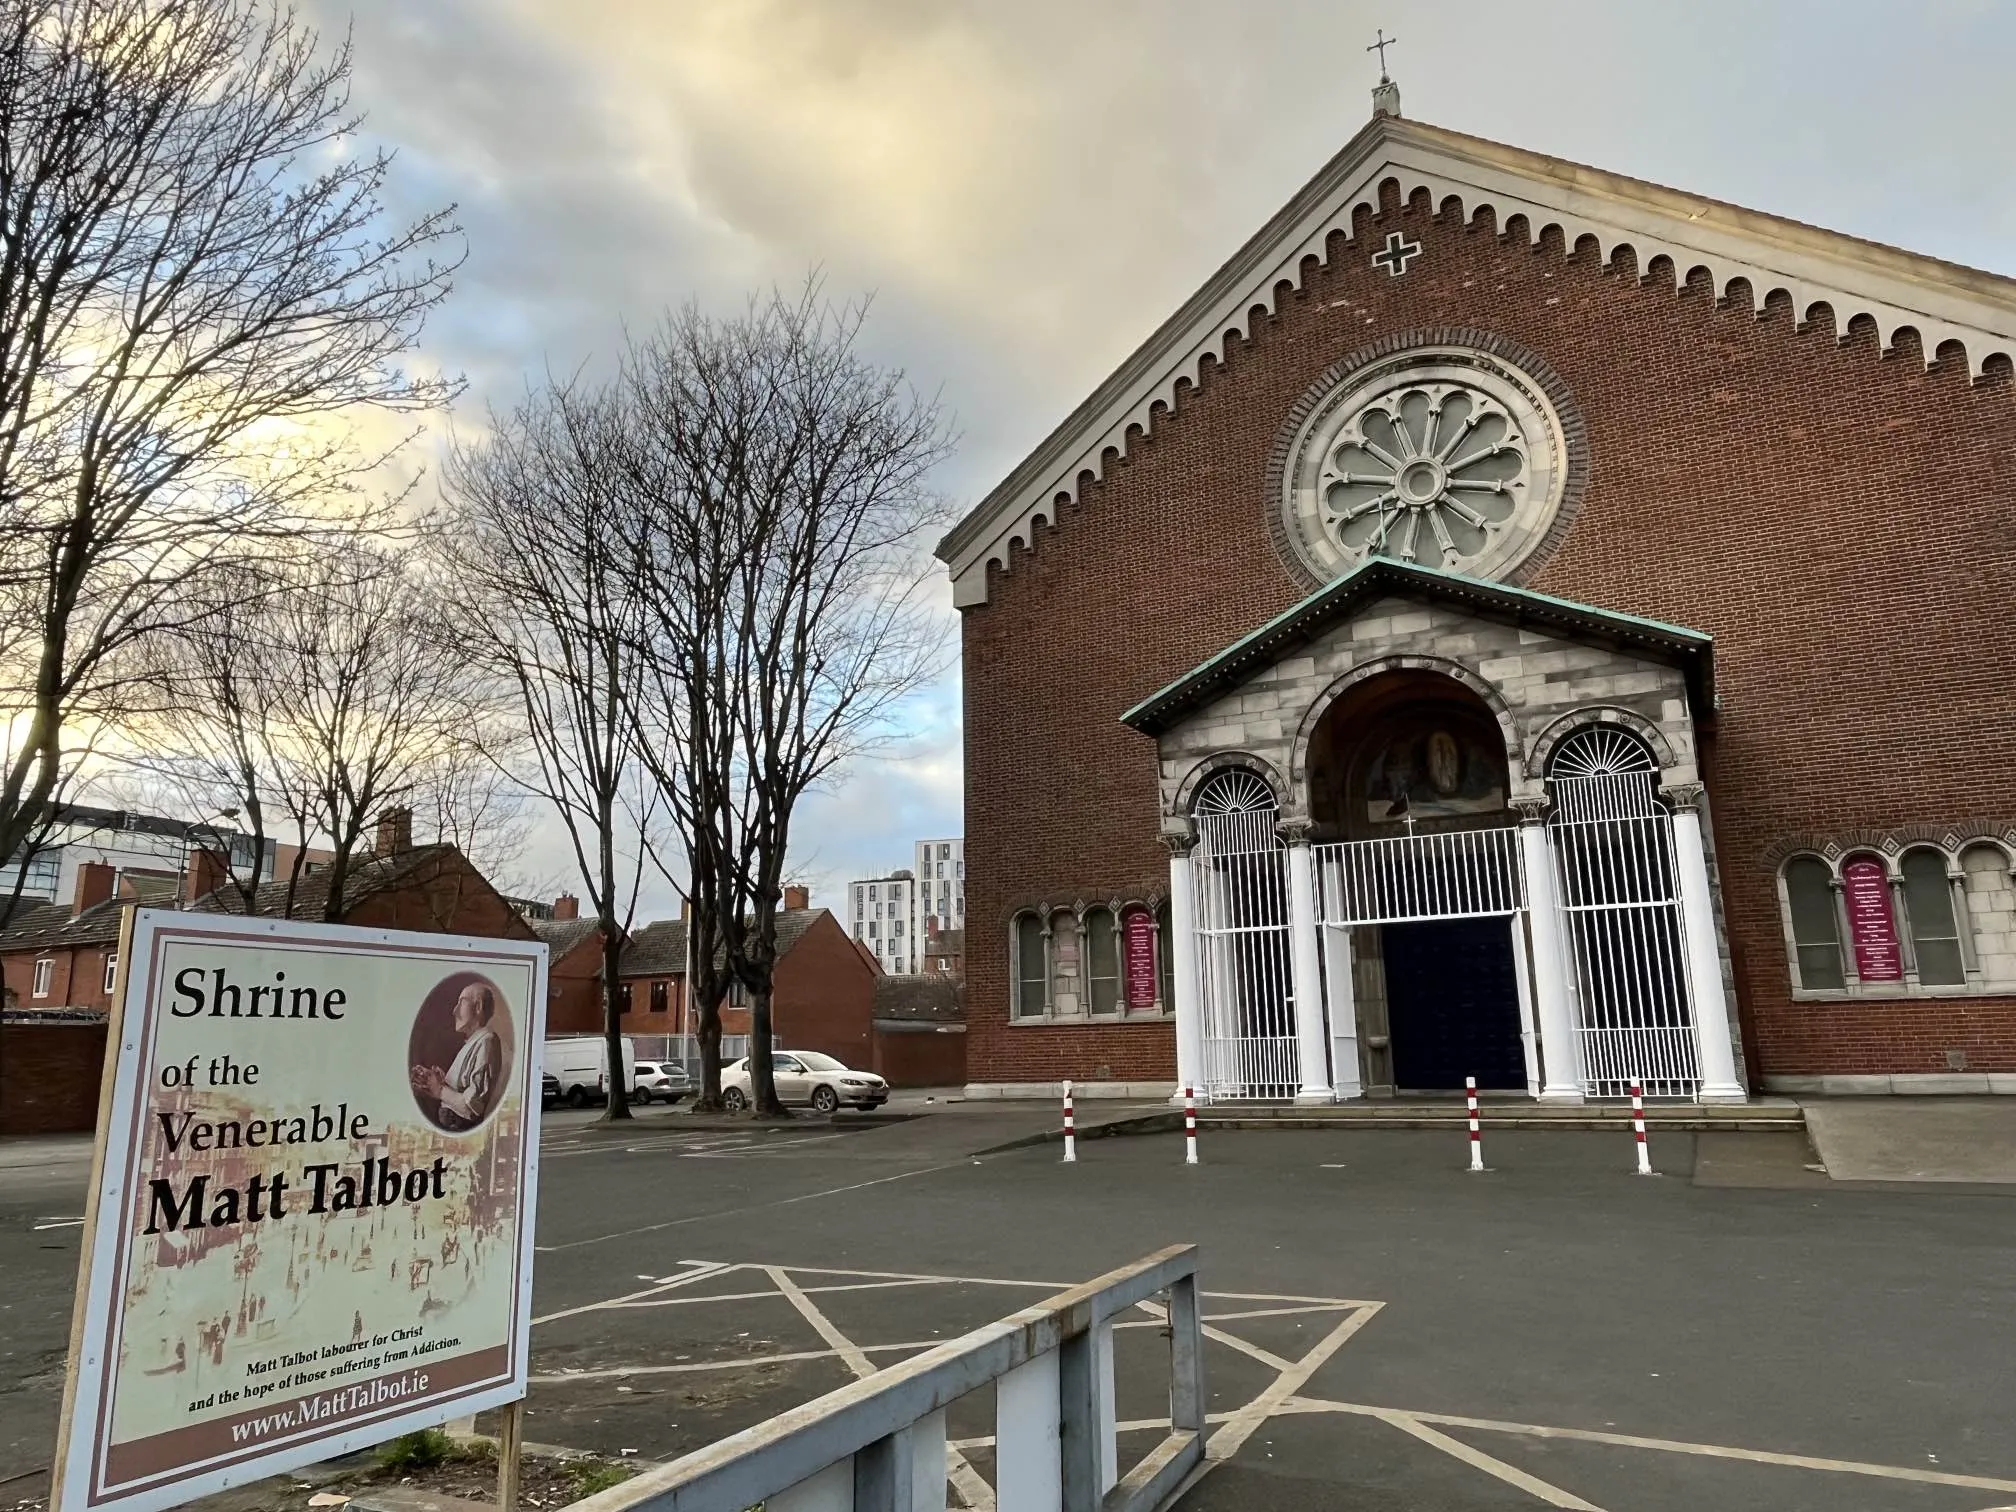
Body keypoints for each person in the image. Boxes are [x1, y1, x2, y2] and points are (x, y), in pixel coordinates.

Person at [412, 983, 505, 1131]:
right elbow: (462, 1090)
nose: (454, 1011)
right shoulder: (475, 1042)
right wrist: (440, 1082)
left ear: (478, 1006)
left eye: (461, 1002)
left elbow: (472, 1109)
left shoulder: (487, 1042)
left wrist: (440, 1090)